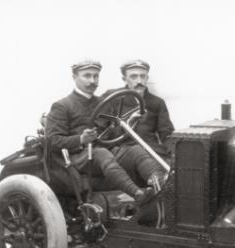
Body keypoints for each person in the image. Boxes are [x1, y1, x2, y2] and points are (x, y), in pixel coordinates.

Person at [44, 59, 154, 204]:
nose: (93, 81)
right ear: (74, 77)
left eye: (96, 76)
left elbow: (112, 135)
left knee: (135, 150)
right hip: (77, 158)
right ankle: (138, 194)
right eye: (87, 76)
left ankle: (158, 184)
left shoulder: (102, 103)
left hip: (102, 152)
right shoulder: (62, 106)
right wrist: (80, 139)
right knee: (101, 153)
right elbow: (53, 141)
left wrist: (129, 123)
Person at [100, 59, 173, 187]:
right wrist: (128, 123)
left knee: (178, 166)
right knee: (143, 158)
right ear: (124, 79)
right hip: (124, 151)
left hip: (152, 150)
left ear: (147, 78)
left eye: (142, 76)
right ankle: (158, 185)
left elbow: (167, 134)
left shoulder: (157, 102)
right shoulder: (112, 98)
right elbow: (104, 133)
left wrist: (174, 152)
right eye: (133, 76)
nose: (139, 81)